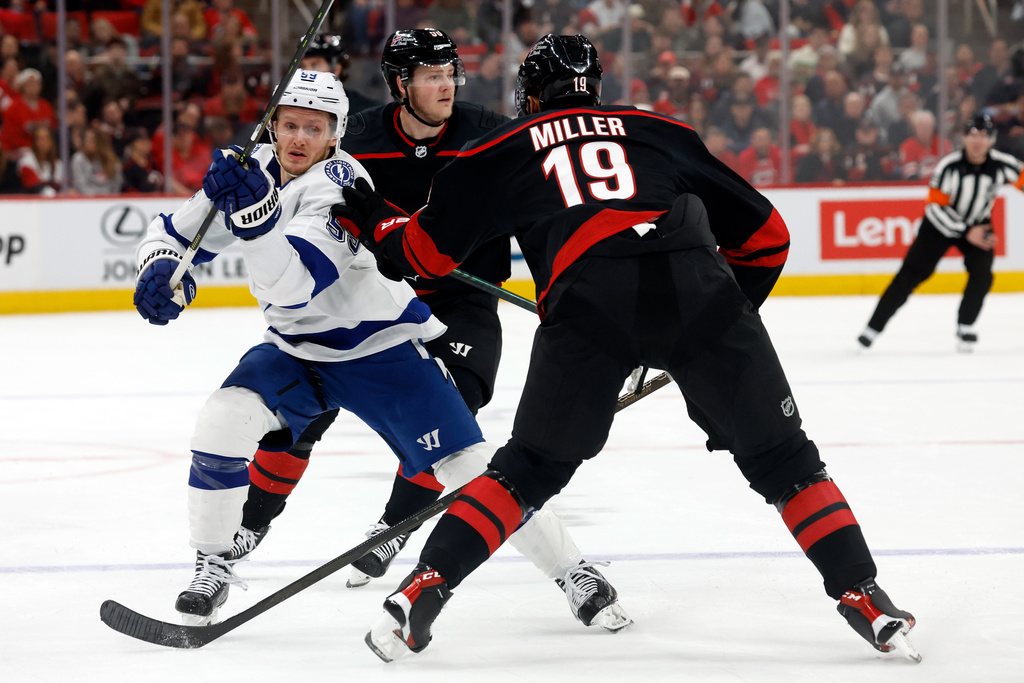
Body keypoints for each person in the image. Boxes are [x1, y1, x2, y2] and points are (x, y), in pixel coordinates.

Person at [333, 33, 920, 664]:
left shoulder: (500, 146)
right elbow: (770, 238)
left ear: (530, 96)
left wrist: (374, 220)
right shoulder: (658, 129)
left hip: (589, 306)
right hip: (702, 291)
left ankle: (426, 585)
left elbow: (423, 255)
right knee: (787, 463)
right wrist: (719, 325)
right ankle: (864, 594)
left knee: (525, 471)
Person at [133, 68, 630, 632]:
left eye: (314, 129)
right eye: (289, 125)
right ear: (272, 126)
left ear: (336, 134)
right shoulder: (255, 169)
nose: (298, 140)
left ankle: (574, 571)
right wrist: (162, 269)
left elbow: (292, 286)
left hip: (378, 350)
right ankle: (212, 565)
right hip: (296, 351)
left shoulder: (342, 182)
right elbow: (172, 231)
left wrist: (253, 220)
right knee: (220, 423)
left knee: (472, 469)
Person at [857, 114, 1021, 352]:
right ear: (964, 138)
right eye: (973, 135)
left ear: (992, 141)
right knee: (909, 275)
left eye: (984, 136)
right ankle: (872, 328)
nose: (978, 141)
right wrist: (967, 232)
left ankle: (966, 325)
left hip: (978, 225)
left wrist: (972, 231)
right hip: (940, 227)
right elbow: (934, 207)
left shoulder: (1002, 164)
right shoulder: (949, 166)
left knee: (983, 274)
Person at [299, 33, 381, 114]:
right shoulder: (291, 106)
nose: (306, 72)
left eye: (315, 65)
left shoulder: (367, 112)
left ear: (337, 69)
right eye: (303, 66)